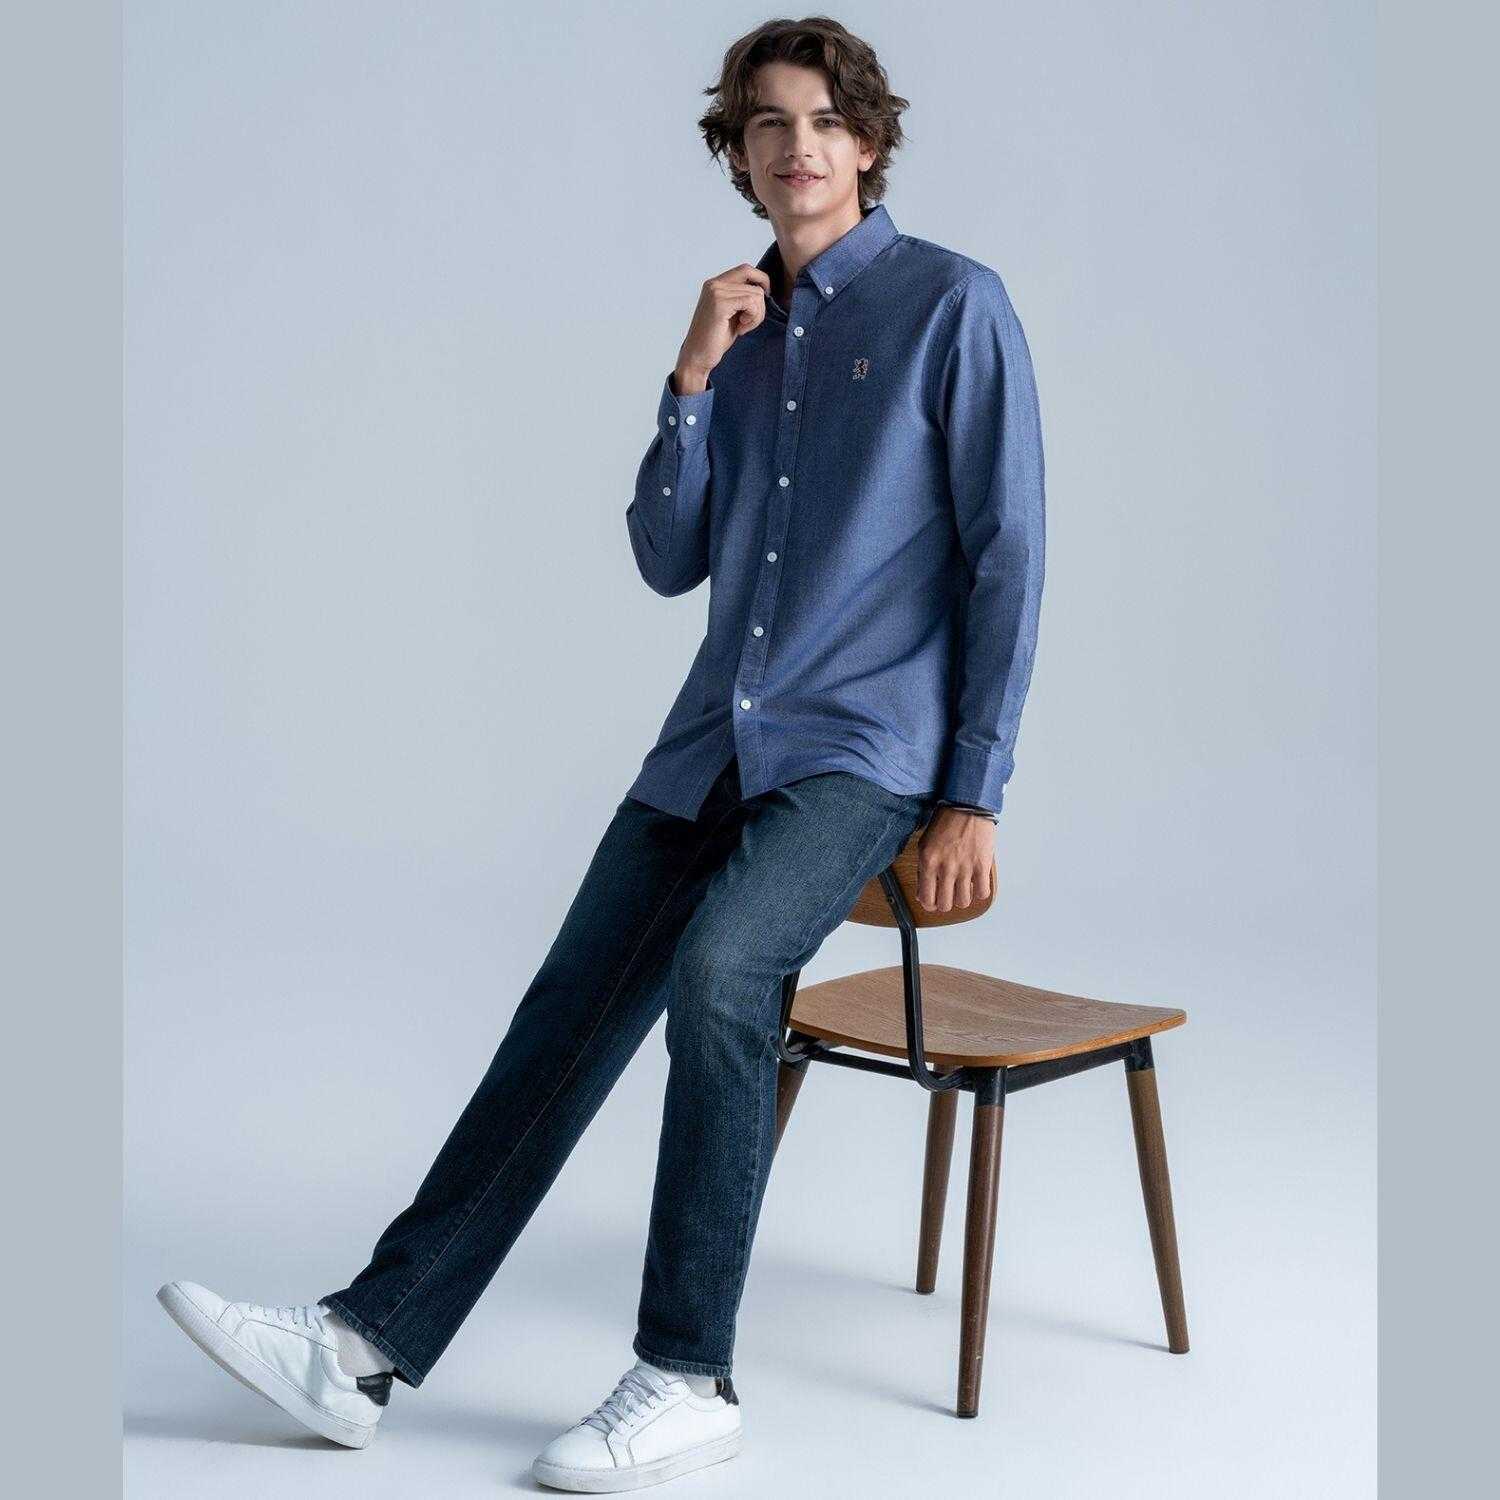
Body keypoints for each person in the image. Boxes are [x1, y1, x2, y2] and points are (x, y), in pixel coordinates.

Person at [156, 14, 1045, 1492]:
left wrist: (975, 791)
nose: (798, 147)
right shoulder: (738, 327)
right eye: (769, 123)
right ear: (737, 152)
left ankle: (688, 1375)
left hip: (863, 747)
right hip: (713, 740)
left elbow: (1008, 553)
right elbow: (666, 556)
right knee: (566, 1010)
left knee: (723, 973)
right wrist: (691, 377)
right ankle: (362, 1349)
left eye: (825, 121)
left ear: (870, 143)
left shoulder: (956, 305)